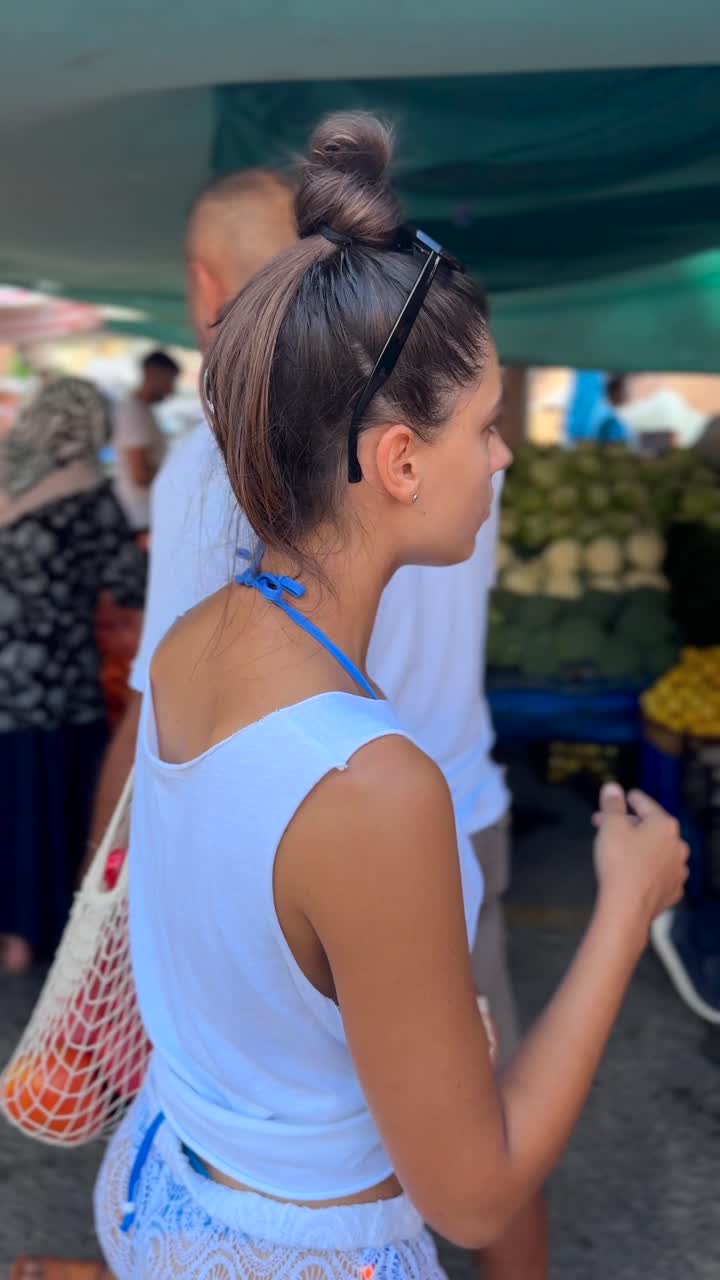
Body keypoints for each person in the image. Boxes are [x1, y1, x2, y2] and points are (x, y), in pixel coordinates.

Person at [86, 113, 687, 1280]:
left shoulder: (208, 639)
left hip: (164, 1190)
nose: (505, 457)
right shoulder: (376, 785)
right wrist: (627, 904)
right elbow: (472, 1196)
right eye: (488, 424)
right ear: (401, 461)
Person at [0, 377, 146, 974]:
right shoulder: (89, 495)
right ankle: (29, 941)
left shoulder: (6, 476)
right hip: (56, 686)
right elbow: (132, 583)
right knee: (48, 805)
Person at [112, 349, 179, 531]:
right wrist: (179, 483)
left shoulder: (141, 410)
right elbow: (140, 475)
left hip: (146, 512)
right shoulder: (133, 412)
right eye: (169, 380)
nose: (172, 389)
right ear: (152, 374)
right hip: (141, 516)